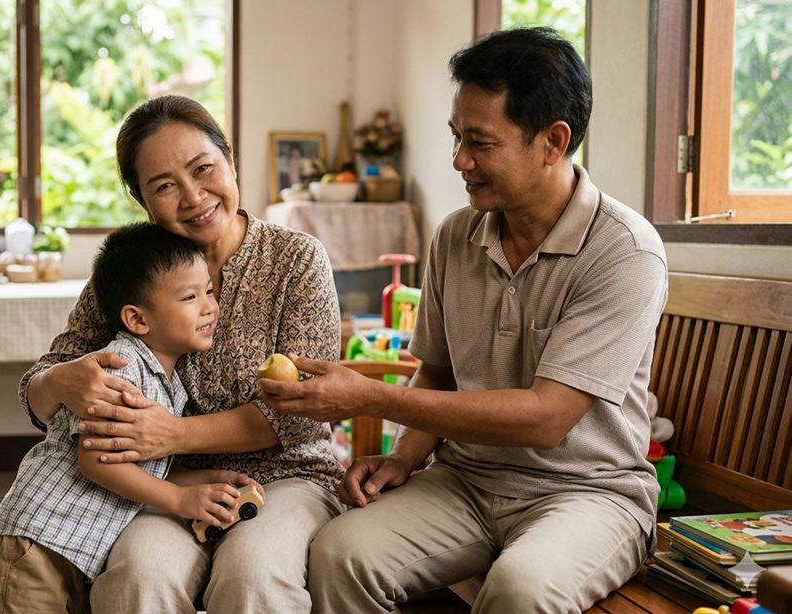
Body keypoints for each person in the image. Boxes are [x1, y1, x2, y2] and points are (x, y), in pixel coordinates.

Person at [258, 27, 668, 614]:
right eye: (456, 137)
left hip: (588, 494)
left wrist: (370, 397)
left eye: (480, 142)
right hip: (466, 482)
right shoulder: (456, 235)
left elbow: (546, 418)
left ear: (554, 142)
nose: (459, 161)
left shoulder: (624, 252)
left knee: (520, 589)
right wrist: (402, 458)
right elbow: (438, 373)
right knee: (339, 552)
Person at [19, 94, 344, 614]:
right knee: (138, 578)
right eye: (165, 186)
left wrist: (174, 433)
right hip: (163, 482)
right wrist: (58, 382)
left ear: (230, 159)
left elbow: (303, 410)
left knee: (253, 575)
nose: (193, 197)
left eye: (203, 169)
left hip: (288, 477)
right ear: (141, 200)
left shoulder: (295, 259)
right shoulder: (138, 271)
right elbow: (42, 384)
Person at [0, 223, 262, 613]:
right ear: (138, 319)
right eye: (189, 296)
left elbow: (132, 464)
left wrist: (207, 479)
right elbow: (97, 460)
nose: (209, 306)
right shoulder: (122, 372)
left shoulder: (164, 380)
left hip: (75, 548)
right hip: (39, 543)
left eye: (209, 291)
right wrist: (180, 498)